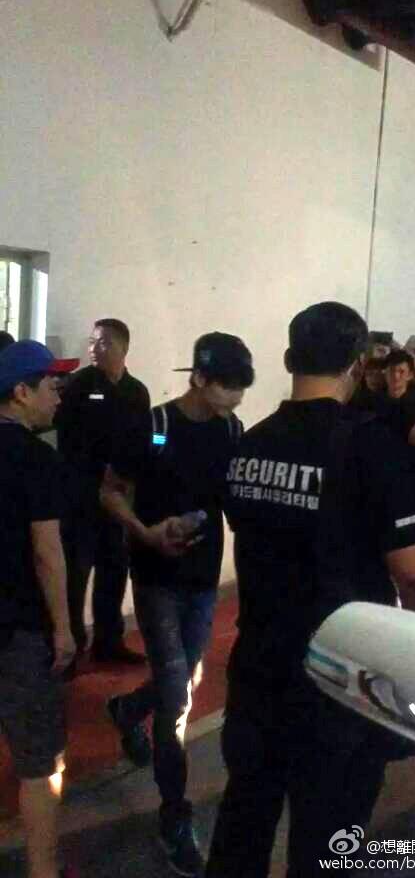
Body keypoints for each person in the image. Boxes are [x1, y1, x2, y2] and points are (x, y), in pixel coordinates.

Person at [205, 303, 415, 878]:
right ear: (356, 364)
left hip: (258, 669)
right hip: (340, 680)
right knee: (328, 843)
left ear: (288, 359)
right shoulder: (369, 446)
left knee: (243, 821)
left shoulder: (250, 444)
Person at [100, 332, 254, 878]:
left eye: (242, 388)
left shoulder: (232, 430)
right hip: (156, 579)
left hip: (203, 581)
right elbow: (110, 490)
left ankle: (127, 709)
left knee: (181, 680)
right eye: (228, 387)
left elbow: (234, 502)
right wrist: (145, 532)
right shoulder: (154, 425)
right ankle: (174, 815)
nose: (236, 397)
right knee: (177, 701)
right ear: (200, 378)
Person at [0, 341, 79, 878]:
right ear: (21, 392)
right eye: (51, 385)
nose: (59, 396)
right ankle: (43, 870)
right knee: (38, 762)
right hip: (20, 630)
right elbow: (47, 553)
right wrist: (64, 629)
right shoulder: (35, 458)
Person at [56, 319, 150, 663]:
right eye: (93, 342)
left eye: (104, 343)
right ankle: (72, 646)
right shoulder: (80, 385)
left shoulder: (136, 392)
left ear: (124, 348)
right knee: (76, 575)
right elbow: (64, 437)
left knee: (114, 571)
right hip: (81, 497)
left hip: (118, 500)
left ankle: (109, 643)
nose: (94, 349)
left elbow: (145, 440)